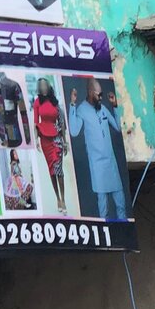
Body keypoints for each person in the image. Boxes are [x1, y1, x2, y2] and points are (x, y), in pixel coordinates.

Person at [68, 78, 127, 220]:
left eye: (101, 94)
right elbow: (74, 131)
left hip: (111, 163)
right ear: (89, 92)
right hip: (98, 166)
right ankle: (108, 236)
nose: (101, 98)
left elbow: (118, 128)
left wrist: (115, 106)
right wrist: (72, 105)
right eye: (98, 95)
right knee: (103, 208)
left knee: (121, 204)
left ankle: (124, 231)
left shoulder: (103, 108)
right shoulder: (81, 109)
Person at [33, 77, 68, 213]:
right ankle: (57, 198)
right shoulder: (37, 102)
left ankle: (63, 199)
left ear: (48, 86)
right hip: (45, 140)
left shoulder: (55, 102)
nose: (43, 87)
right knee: (52, 171)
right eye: (41, 85)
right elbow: (36, 122)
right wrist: (36, 140)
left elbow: (62, 122)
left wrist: (64, 141)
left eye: (45, 85)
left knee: (59, 170)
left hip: (57, 138)